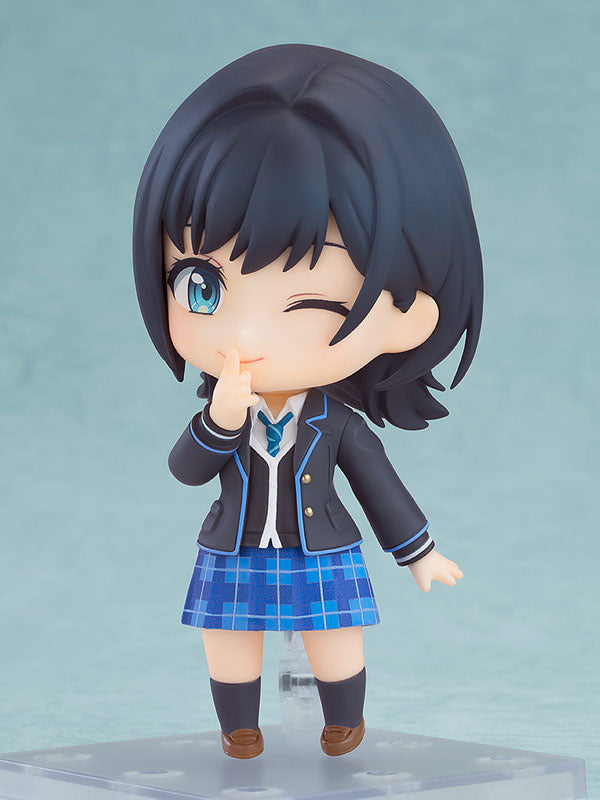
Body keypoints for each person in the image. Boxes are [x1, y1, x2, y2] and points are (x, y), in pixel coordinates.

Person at [132, 43, 483, 759]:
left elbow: (379, 486)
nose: (248, 337)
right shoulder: (226, 412)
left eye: (311, 304)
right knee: (228, 637)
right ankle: (239, 726)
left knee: (335, 635)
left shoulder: (336, 425)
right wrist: (218, 422)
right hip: (233, 547)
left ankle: (343, 719)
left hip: (322, 546)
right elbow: (185, 469)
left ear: (409, 312)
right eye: (202, 286)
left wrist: (418, 552)